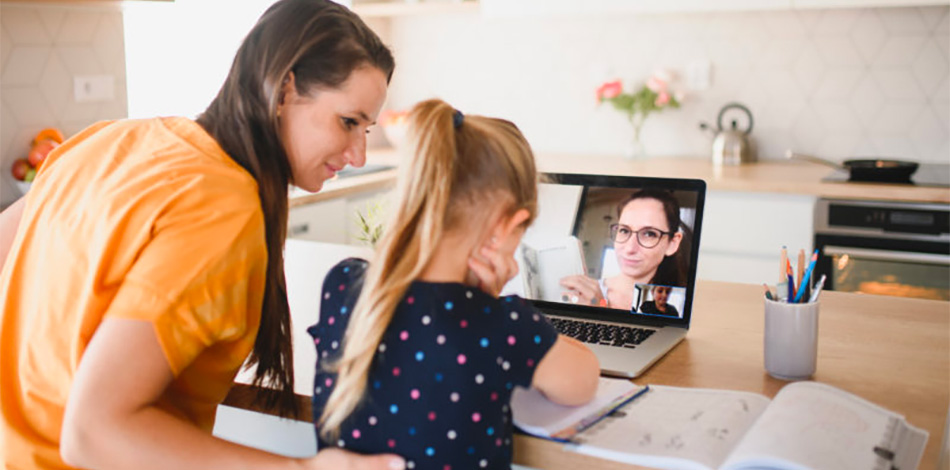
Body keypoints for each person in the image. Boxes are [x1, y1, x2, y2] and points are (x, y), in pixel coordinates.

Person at [0, 1, 405, 469]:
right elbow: (93, 432)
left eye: (367, 129)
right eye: (348, 122)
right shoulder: (223, 207)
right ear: (285, 89)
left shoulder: (111, 140)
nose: (358, 154)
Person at [308, 99, 601, 469]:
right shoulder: (505, 326)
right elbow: (582, 382)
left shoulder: (342, 284)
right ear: (504, 228)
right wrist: (490, 303)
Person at [559, 189, 684, 311]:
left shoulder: (679, 305)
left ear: (672, 244)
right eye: (624, 231)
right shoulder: (583, 295)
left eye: (649, 234)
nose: (630, 248)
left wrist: (601, 307)